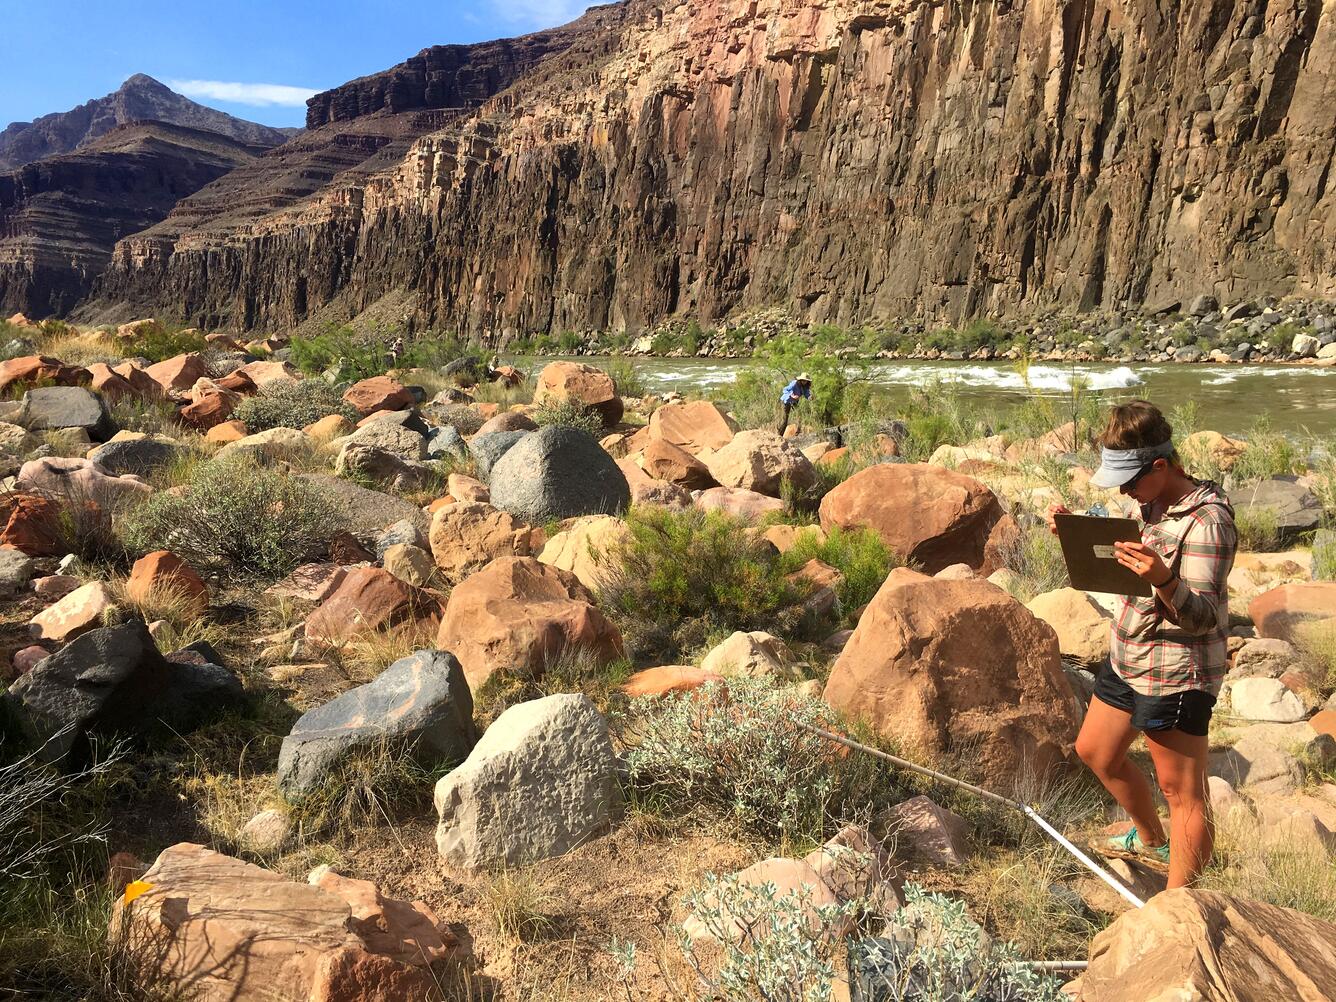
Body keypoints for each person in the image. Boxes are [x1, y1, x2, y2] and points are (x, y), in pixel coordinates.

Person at [1046, 400, 1236, 889]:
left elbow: (1206, 618)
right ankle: (1153, 840)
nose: (1126, 492)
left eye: (1130, 481)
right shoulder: (1148, 501)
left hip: (1176, 670)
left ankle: (1182, 910)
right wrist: (1076, 530)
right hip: (1130, 654)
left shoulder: (1207, 521)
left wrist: (1165, 580)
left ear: (1160, 465)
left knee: (1182, 791)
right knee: (1096, 752)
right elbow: (1118, 554)